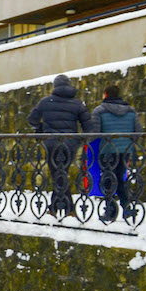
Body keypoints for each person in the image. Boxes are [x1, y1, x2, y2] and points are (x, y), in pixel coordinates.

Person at [27, 73, 95, 220]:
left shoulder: (45, 102)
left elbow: (32, 120)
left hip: (51, 142)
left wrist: (40, 128)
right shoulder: (77, 103)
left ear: (55, 86)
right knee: (61, 173)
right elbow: (89, 127)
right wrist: (80, 139)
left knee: (58, 174)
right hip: (70, 143)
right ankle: (62, 208)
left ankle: (61, 209)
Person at [92, 84, 142, 223]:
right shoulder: (131, 111)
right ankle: (126, 207)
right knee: (120, 178)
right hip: (125, 150)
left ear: (106, 94)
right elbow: (138, 131)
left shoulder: (99, 111)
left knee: (108, 179)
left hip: (107, 150)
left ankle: (111, 210)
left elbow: (94, 132)